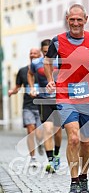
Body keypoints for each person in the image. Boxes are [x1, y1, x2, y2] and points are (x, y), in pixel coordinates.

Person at [44, 4, 89, 193]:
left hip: (88, 97)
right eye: (72, 19)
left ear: (86, 19)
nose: (75, 23)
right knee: (73, 138)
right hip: (65, 95)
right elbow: (48, 61)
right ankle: (73, 183)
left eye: (79, 19)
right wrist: (50, 80)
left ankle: (84, 177)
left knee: (87, 143)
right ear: (67, 19)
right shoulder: (58, 41)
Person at [27, 39, 62, 173]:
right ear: (42, 51)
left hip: (59, 100)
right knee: (48, 129)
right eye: (46, 52)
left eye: (50, 51)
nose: (48, 54)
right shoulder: (36, 63)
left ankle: (57, 153)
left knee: (57, 131)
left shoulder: (60, 62)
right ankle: (51, 161)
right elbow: (30, 74)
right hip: (44, 100)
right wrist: (31, 87)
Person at [8, 48, 44, 166]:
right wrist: (11, 91)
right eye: (31, 53)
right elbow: (17, 86)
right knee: (30, 131)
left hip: (41, 106)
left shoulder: (43, 70)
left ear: (40, 55)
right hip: (27, 106)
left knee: (39, 134)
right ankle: (33, 158)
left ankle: (40, 143)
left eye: (35, 53)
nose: (32, 55)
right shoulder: (23, 71)